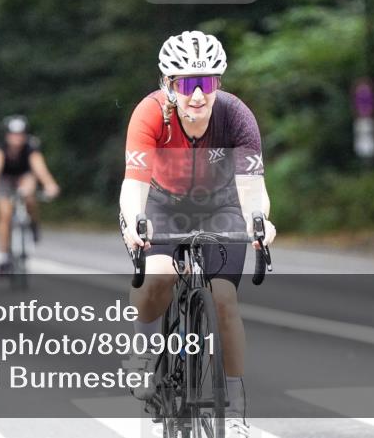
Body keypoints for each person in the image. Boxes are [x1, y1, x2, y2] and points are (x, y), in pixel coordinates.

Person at [119, 31, 277, 438]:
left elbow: (252, 188)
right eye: (186, 84)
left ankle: (237, 413)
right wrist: (135, 221)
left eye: (206, 83)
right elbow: (134, 184)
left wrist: (260, 221)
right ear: (168, 85)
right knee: (158, 278)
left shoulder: (236, 116)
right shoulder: (150, 114)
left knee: (224, 300)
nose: (196, 95)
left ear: (217, 85)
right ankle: (142, 350)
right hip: (163, 206)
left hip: (221, 206)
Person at [0, 115, 60, 274]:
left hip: (24, 177)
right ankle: (4, 255)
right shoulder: (0, 148)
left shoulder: (31, 146)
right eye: (13, 135)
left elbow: (39, 168)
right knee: (4, 213)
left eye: (20, 135)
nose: (17, 139)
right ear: (7, 135)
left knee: (29, 195)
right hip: (4, 179)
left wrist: (50, 184)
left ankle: (33, 224)